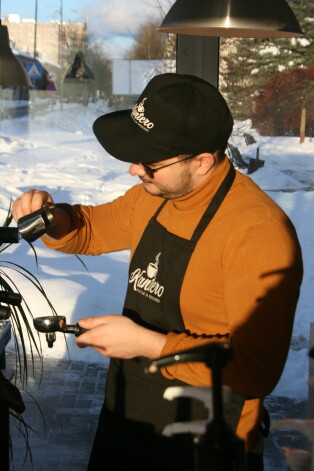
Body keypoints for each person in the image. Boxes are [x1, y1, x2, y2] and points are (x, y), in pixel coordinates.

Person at [12, 73, 303, 471]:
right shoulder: (158, 194)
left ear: (203, 161)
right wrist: (51, 216)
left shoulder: (257, 233)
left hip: (207, 441)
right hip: (128, 415)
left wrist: (149, 345)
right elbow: (92, 229)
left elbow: (255, 368)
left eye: (149, 161)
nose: (135, 170)